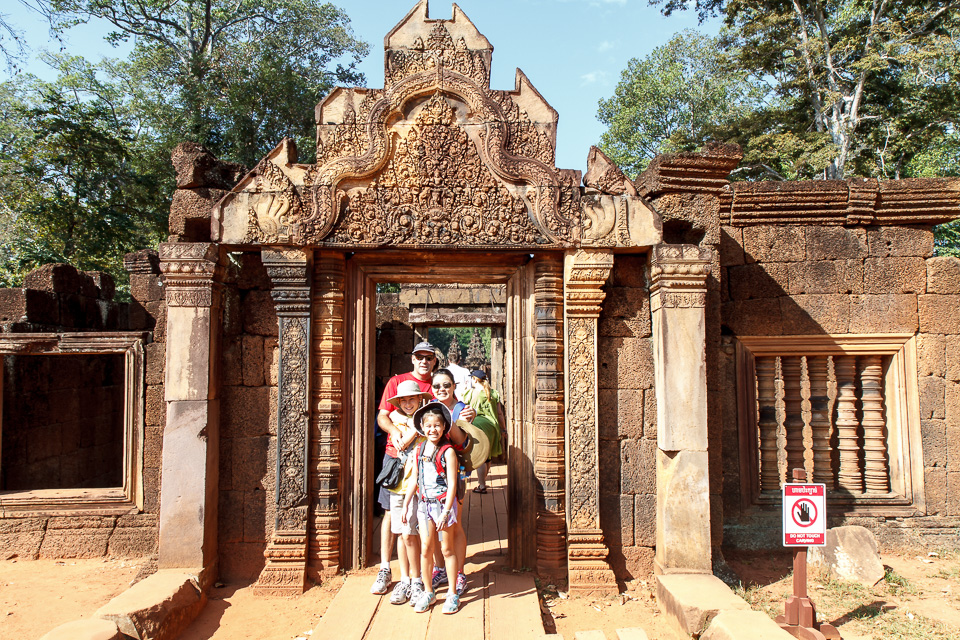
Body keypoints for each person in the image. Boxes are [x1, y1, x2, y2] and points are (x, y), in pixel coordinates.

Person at [370, 341, 438, 595]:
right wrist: (396, 432)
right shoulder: (396, 382)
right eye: (420, 357)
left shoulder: (435, 386)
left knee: (424, 516)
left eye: (429, 358)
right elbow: (383, 416)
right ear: (412, 358)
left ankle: (423, 573)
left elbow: (444, 414)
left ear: (434, 361)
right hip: (395, 458)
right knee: (392, 513)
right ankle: (386, 568)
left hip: (423, 461)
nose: (424, 361)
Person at [402, 402, 464, 614]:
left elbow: (452, 484)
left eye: (437, 425)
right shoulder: (419, 449)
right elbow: (414, 479)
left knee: (447, 549)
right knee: (426, 549)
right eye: (428, 426)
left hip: (442, 505)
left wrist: (446, 511)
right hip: (424, 505)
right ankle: (428, 591)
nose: (433, 430)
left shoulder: (448, 452)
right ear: (422, 427)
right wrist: (406, 504)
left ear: (444, 426)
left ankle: (452, 593)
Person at [382, 380, 431, 604]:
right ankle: (405, 579)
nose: (408, 403)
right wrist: (410, 428)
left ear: (420, 399)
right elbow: (399, 439)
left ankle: (418, 579)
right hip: (400, 484)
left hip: (421, 484)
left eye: (412, 399)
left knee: (416, 534)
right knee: (402, 533)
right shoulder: (396, 421)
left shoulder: (427, 420)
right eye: (404, 400)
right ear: (398, 403)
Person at [427, 368, 473, 595]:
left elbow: (462, 442)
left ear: (454, 386)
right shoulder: (428, 408)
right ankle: (440, 568)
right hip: (430, 473)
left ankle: (460, 572)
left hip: (455, 471)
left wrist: (448, 418)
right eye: (437, 386)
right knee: (434, 524)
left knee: (454, 524)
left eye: (446, 385)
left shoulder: (461, 409)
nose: (442, 389)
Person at [462, 369, 504, 493]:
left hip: (478, 425)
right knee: (488, 455)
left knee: (481, 456)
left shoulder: (471, 393)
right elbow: (500, 413)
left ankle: (481, 485)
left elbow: (463, 410)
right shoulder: (494, 393)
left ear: (474, 379)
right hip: (492, 426)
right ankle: (483, 481)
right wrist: (503, 429)